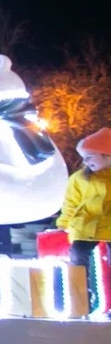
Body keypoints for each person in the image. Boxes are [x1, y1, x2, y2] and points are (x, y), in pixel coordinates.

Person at [55, 127, 111, 313]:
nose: (85, 161)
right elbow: (71, 202)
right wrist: (64, 222)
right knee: (78, 256)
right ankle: (80, 300)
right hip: (86, 226)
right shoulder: (79, 179)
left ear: (107, 155)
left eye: (90, 157)